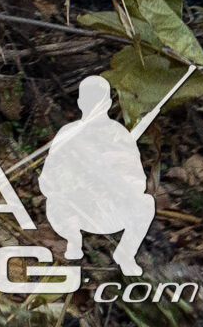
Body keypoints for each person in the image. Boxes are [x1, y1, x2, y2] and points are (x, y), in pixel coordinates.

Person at [38, 74, 156, 273]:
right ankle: (74, 243)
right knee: (55, 202)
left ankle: (125, 254)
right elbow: (47, 180)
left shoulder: (119, 135)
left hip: (108, 210)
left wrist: (116, 175)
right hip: (74, 209)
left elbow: (139, 182)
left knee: (146, 204)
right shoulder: (69, 133)